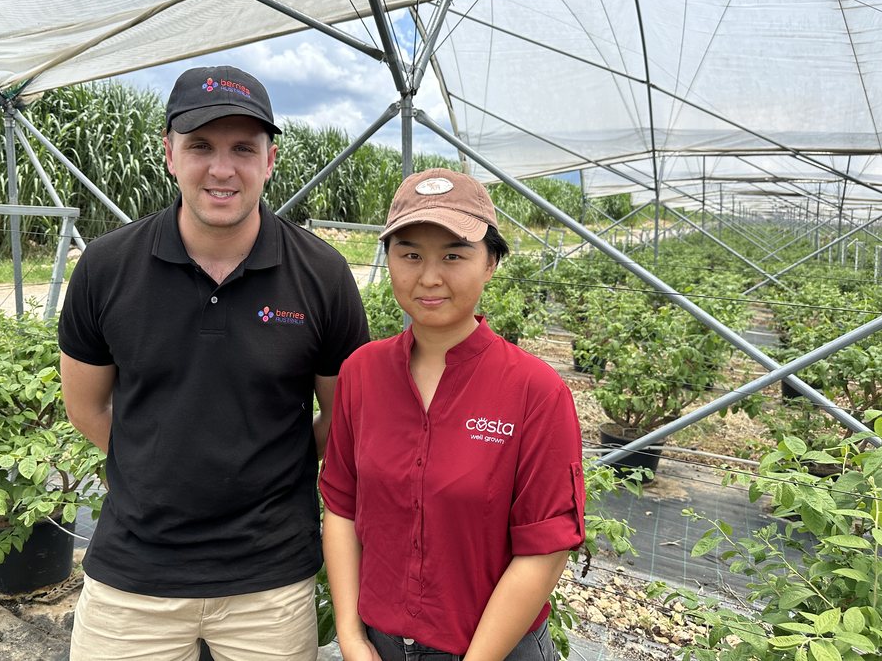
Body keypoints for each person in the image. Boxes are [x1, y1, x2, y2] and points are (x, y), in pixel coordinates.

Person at [58, 65, 370, 661]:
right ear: (169, 153)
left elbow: (341, 417)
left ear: (270, 160)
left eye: (243, 149)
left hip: (269, 581)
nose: (222, 169)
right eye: (200, 146)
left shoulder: (321, 275)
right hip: (134, 574)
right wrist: (158, 468)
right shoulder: (105, 269)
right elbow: (85, 406)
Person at [319, 168, 585, 661]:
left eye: (454, 255)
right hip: (379, 646)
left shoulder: (535, 392)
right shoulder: (362, 373)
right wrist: (351, 637)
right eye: (410, 254)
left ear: (491, 265)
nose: (429, 277)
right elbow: (341, 504)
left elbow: (544, 549)